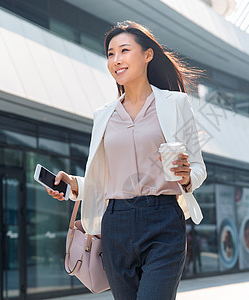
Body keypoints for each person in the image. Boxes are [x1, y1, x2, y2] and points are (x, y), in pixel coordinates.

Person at [46, 21, 206, 300]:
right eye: (110, 54)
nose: (116, 60)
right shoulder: (104, 115)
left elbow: (198, 167)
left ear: (147, 55)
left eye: (124, 50)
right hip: (115, 225)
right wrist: (73, 185)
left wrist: (186, 177)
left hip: (163, 220)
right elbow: (105, 178)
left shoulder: (175, 104)